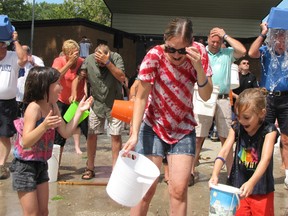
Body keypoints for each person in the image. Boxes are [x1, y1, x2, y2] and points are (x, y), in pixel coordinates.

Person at [123, 17, 213, 215]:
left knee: (179, 190)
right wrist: (134, 133)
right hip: (153, 126)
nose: (176, 55)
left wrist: (198, 67)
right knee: (145, 189)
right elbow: (141, 97)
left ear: (191, 43)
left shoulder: (199, 54)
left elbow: (206, 96)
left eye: (182, 50)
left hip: (183, 128)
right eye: (171, 48)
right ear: (165, 39)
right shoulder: (154, 55)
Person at [9, 66, 93, 216]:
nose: (61, 88)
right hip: (24, 166)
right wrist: (44, 125)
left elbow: (66, 132)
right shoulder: (33, 108)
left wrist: (79, 112)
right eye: (58, 84)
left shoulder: (52, 106)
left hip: (41, 164)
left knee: (43, 212)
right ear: (44, 86)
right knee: (32, 213)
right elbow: (26, 141)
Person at [209, 88, 278, 216]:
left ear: (262, 113)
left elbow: (265, 159)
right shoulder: (237, 128)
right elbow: (224, 151)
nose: (242, 121)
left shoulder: (269, 131)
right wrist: (215, 174)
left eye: (246, 117)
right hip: (238, 189)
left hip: (262, 191)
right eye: (239, 116)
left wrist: (252, 182)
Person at [192, 27, 246, 181]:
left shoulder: (228, 53)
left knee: (226, 137)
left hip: (222, 98)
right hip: (204, 97)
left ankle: (231, 173)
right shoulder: (201, 53)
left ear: (222, 42)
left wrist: (226, 35)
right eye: (212, 41)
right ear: (208, 39)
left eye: (218, 41)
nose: (215, 44)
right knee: (198, 136)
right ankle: (190, 171)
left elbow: (242, 51)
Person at [248, 22, 288, 189]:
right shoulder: (266, 51)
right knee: (264, 137)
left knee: (286, 139)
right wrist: (263, 32)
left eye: (284, 37)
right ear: (273, 38)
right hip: (267, 98)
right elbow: (251, 52)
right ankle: (261, 172)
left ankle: (287, 174)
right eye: (278, 36)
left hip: (286, 99)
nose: (281, 40)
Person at [80, 44, 126, 180]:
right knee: (92, 134)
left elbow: (122, 77)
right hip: (96, 102)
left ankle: (116, 170)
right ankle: (90, 167)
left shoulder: (116, 58)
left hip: (116, 102)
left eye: (101, 61)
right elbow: (81, 76)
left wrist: (107, 63)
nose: (99, 64)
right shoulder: (89, 59)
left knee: (116, 136)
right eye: (97, 61)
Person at [52, 39, 84, 169]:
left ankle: (89, 166)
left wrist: (76, 93)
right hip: (61, 101)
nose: (76, 56)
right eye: (73, 54)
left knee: (87, 130)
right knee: (59, 136)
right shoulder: (59, 61)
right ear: (66, 54)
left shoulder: (82, 62)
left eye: (77, 53)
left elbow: (82, 77)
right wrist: (69, 63)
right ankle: (55, 166)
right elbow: (54, 76)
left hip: (78, 102)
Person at [0, 31, 27, 180]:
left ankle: (1, 165)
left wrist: (15, 40)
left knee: (4, 135)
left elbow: (24, 58)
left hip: (7, 103)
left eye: (1, 46)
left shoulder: (12, 56)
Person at [16, 45, 45, 117]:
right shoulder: (17, 59)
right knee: (16, 117)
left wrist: (33, 63)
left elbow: (43, 73)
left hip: (31, 95)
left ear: (28, 53)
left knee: (28, 115)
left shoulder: (37, 60)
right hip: (17, 94)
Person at [69, 67, 88, 154]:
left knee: (86, 127)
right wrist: (75, 97)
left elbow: (85, 91)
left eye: (85, 71)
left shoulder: (86, 80)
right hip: (76, 103)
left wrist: (84, 99)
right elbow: (74, 92)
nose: (83, 73)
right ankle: (77, 147)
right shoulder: (76, 79)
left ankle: (89, 145)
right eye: (82, 71)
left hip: (83, 103)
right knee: (76, 126)